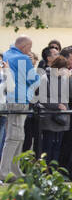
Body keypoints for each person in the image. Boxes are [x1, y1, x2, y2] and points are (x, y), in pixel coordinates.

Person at [1, 37, 39, 178]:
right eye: (29, 47)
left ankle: (15, 170)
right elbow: (33, 79)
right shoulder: (23, 58)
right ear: (24, 46)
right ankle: (4, 172)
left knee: (18, 136)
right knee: (14, 137)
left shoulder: (6, 54)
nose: (30, 51)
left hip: (10, 98)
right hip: (19, 99)